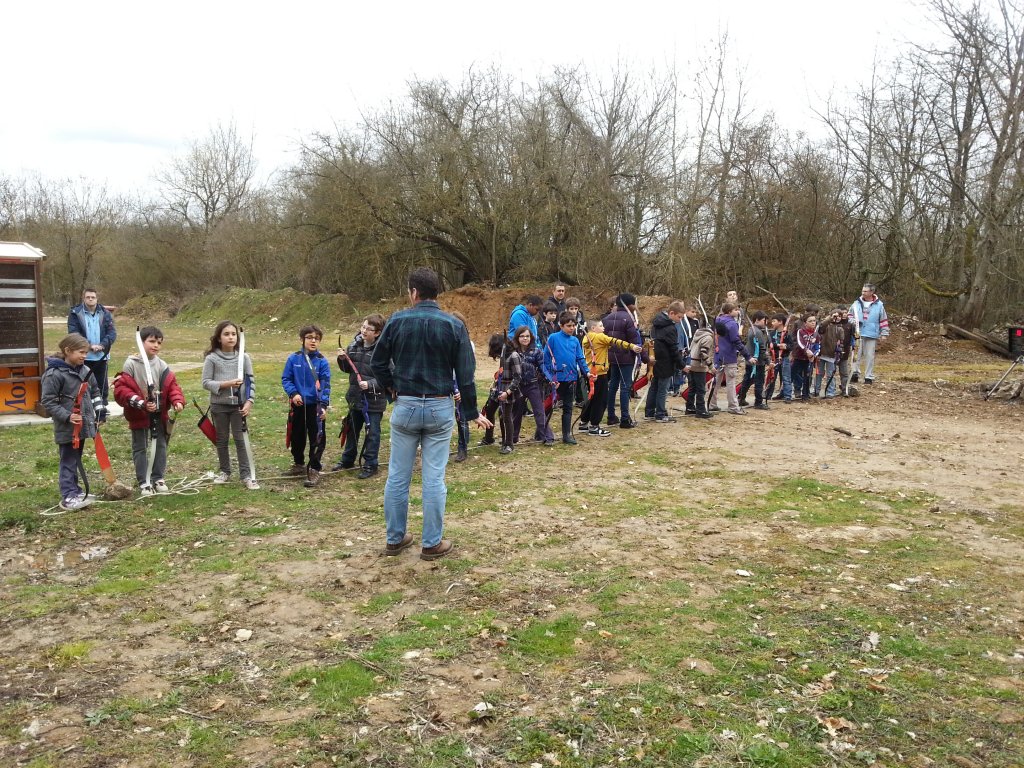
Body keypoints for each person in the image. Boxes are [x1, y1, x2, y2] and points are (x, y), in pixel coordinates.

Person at [371, 267, 491, 561]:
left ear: (413, 292)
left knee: (398, 476)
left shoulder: (397, 320)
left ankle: (395, 538)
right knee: (434, 478)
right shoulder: (453, 325)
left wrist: (392, 388)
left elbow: (377, 362)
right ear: (438, 292)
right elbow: (466, 373)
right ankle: (431, 543)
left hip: (406, 405)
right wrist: (471, 410)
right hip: (439, 406)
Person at [113, 326, 185, 496]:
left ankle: (158, 477)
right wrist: (140, 403)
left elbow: (172, 386)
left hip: (159, 414)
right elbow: (122, 389)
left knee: (160, 445)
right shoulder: (131, 363)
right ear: (141, 342)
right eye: (151, 341)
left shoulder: (161, 364)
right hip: (139, 414)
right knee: (140, 447)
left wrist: (177, 401)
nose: (156, 345)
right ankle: (144, 481)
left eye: (159, 342)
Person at [41, 334, 102, 510]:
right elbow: (48, 401)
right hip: (67, 427)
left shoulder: (84, 370)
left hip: (82, 425)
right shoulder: (54, 374)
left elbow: (95, 391)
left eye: (86, 352)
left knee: (76, 458)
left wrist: (99, 414)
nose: (84, 356)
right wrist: (68, 416)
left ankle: (76, 490)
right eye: (81, 352)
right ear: (67, 351)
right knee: (68, 459)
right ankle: (68, 496)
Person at [201, 320, 258, 489]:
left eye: (233, 334)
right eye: (226, 334)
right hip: (219, 405)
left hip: (238, 406)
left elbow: (250, 382)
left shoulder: (244, 358)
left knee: (241, 440)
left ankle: (246, 475)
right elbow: (205, 382)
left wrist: (249, 401)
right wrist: (227, 384)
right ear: (219, 338)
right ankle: (225, 471)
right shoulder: (212, 358)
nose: (231, 337)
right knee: (222, 439)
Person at [334, 314, 387, 479]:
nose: (363, 331)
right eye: (363, 327)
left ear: (377, 333)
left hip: (375, 400)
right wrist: (342, 359)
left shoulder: (384, 350)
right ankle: (347, 460)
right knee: (351, 430)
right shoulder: (354, 344)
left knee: (372, 433)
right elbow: (347, 368)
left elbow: (389, 376)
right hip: (355, 397)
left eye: (368, 329)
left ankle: (371, 464)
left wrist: (371, 384)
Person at [282, 325, 331, 488]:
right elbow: (286, 379)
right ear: (302, 339)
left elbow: (325, 384)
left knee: (317, 437)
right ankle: (298, 463)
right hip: (298, 404)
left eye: (316, 338)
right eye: (309, 337)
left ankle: (314, 468)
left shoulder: (322, 361)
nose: (313, 341)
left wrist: (323, 405)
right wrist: (293, 393)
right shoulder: (293, 359)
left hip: (315, 406)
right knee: (297, 436)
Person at [580, 319, 642, 436]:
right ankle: (594, 426)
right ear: (593, 328)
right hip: (599, 373)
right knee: (601, 400)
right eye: (601, 326)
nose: (604, 328)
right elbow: (614, 341)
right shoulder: (599, 337)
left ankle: (584, 422)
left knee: (593, 398)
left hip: (591, 372)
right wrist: (632, 346)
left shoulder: (588, 337)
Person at [543, 311, 589, 444]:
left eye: (574, 325)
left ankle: (566, 435)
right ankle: (543, 433)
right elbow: (546, 359)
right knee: (548, 407)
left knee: (568, 408)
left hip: (571, 379)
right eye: (569, 325)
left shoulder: (575, 340)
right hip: (556, 381)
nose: (572, 328)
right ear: (561, 325)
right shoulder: (553, 338)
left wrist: (587, 372)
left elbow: (580, 357)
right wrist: (551, 377)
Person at [67, 288, 117, 413]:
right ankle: (82, 406)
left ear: (97, 298)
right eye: (88, 297)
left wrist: (102, 345)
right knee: (82, 381)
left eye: (93, 297)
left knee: (101, 383)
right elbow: (74, 332)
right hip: (83, 355)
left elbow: (112, 333)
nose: (90, 299)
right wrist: (88, 346)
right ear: (84, 298)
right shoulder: (75, 313)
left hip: (101, 355)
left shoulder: (105, 313)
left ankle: (102, 407)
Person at [510, 326, 554, 446]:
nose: (525, 338)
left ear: (531, 337)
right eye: (522, 336)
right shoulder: (513, 352)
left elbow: (543, 367)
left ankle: (547, 437)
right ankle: (512, 438)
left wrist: (550, 379)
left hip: (533, 385)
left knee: (539, 411)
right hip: (517, 386)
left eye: (527, 336)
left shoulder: (536, 351)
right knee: (516, 412)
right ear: (517, 338)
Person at [604, 293, 643, 428]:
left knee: (613, 386)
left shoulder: (607, 318)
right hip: (626, 358)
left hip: (612, 358)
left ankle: (611, 416)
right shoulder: (629, 319)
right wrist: (645, 358)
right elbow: (635, 342)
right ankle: (625, 419)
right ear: (630, 305)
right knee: (625, 387)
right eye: (634, 304)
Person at [644, 301, 686, 423]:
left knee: (655, 386)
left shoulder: (657, 323)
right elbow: (674, 349)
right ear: (671, 313)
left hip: (655, 360)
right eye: (679, 317)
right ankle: (660, 414)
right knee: (663, 388)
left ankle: (650, 411)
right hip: (664, 362)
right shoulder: (670, 328)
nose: (680, 320)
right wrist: (682, 365)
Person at [714, 302, 756, 415]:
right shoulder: (732, 324)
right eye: (735, 310)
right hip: (729, 356)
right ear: (729, 312)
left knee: (716, 381)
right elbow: (736, 341)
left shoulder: (718, 320)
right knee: (730, 383)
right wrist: (748, 356)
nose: (737, 312)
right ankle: (733, 406)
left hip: (719, 355)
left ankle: (712, 403)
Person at [850, 283, 889, 384]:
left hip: (872, 334)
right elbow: (849, 316)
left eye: (865, 291)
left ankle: (868, 377)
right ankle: (854, 373)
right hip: (858, 334)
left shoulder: (879, 305)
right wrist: (854, 322)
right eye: (862, 291)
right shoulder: (856, 303)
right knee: (856, 355)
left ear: (872, 292)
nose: (863, 293)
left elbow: (883, 320)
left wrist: (884, 333)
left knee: (870, 356)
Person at [449, 311, 473, 463]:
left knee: (462, 418)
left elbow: (467, 368)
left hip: (460, 382)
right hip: (444, 383)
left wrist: (461, 389)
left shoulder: (468, 344)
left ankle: (462, 448)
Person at [496, 331, 524, 455]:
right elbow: (501, 372)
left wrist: (507, 392)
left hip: (509, 389)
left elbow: (517, 377)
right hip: (502, 387)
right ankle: (504, 441)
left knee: (507, 416)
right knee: (502, 415)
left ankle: (509, 444)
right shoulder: (504, 355)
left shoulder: (513, 356)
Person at [738, 311, 771, 410]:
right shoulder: (756, 332)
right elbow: (761, 348)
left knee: (747, 380)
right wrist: (767, 361)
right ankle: (758, 402)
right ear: (757, 320)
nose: (765, 323)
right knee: (759, 382)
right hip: (757, 361)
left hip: (751, 360)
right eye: (764, 321)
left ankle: (741, 398)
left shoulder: (753, 330)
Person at [685, 320, 715, 419]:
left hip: (691, 363)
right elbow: (703, 352)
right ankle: (701, 410)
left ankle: (689, 407)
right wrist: (711, 366)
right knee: (701, 389)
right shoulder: (708, 337)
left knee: (692, 387)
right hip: (699, 366)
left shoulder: (698, 333)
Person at [814, 309, 846, 399]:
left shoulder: (840, 328)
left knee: (830, 374)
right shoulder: (825, 326)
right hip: (821, 353)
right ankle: (816, 390)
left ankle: (830, 391)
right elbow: (820, 327)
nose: (837, 318)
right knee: (819, 373)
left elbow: (841, 342)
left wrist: (839, 353)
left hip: (832, 355)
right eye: (835, 316)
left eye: (839, 316)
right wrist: (830, 318)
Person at [791, 315, 820, 402]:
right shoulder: (800, 331)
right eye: (810, 321)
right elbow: (800, 343)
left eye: (814, 321)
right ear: (805, 323)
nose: (813, 322)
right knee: (792, 375)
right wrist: (806, 350)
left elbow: (818, 347)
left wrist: (813, 355)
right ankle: (785, 393)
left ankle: (805, 395)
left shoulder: (816, 335)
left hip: (809, 360)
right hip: (798, 357)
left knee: (807, 377)